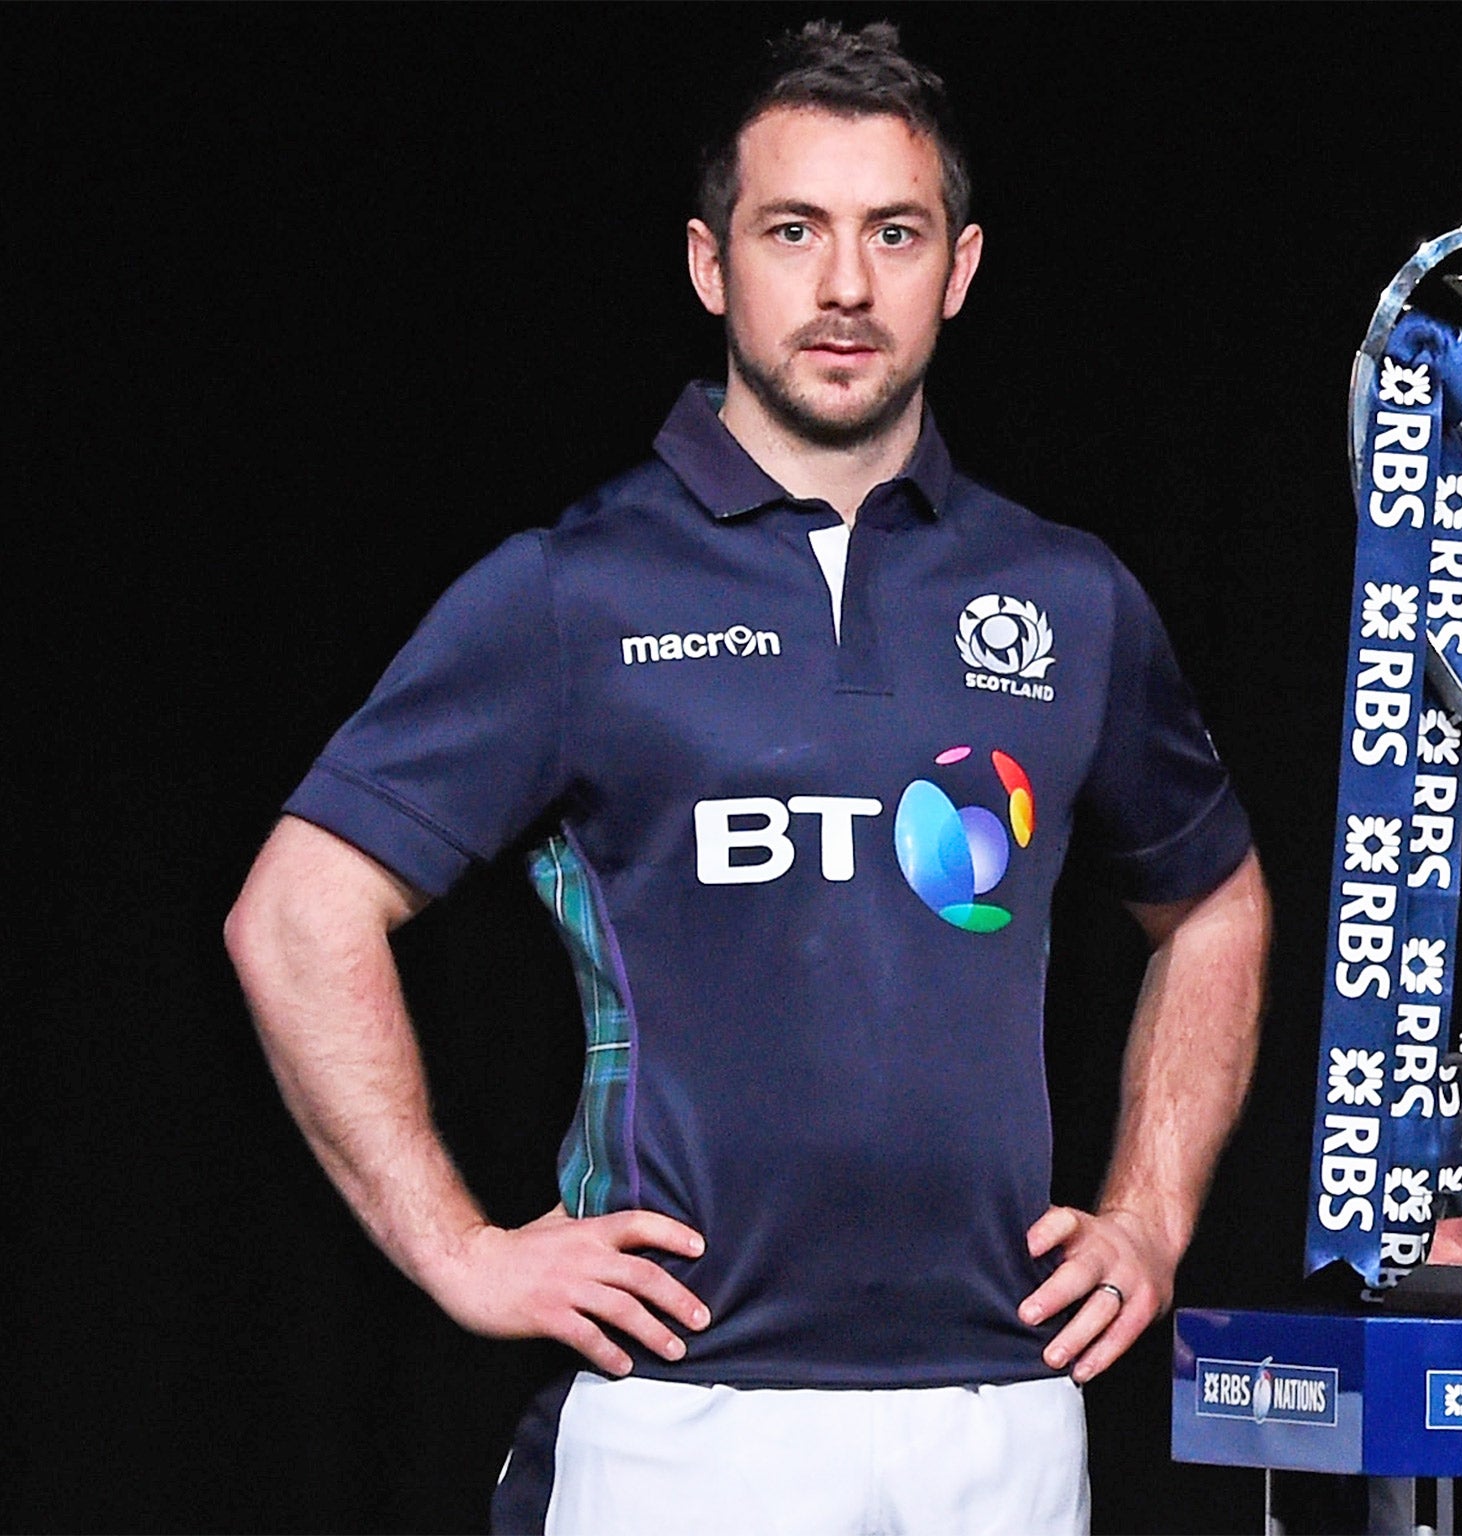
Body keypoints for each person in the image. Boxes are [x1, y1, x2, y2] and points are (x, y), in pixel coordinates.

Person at [224, 20, 1269, 1536]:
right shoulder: (574, 592)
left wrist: (1151, 1218)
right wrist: (460, 1250)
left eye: (893, 233)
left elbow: (1214, 905)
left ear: (960, 269)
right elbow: (296, 915)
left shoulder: (1069, 595)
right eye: (794, 231)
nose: (845, 285)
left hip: (1004, 1409)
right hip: (680, 1415)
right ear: (711, 265)